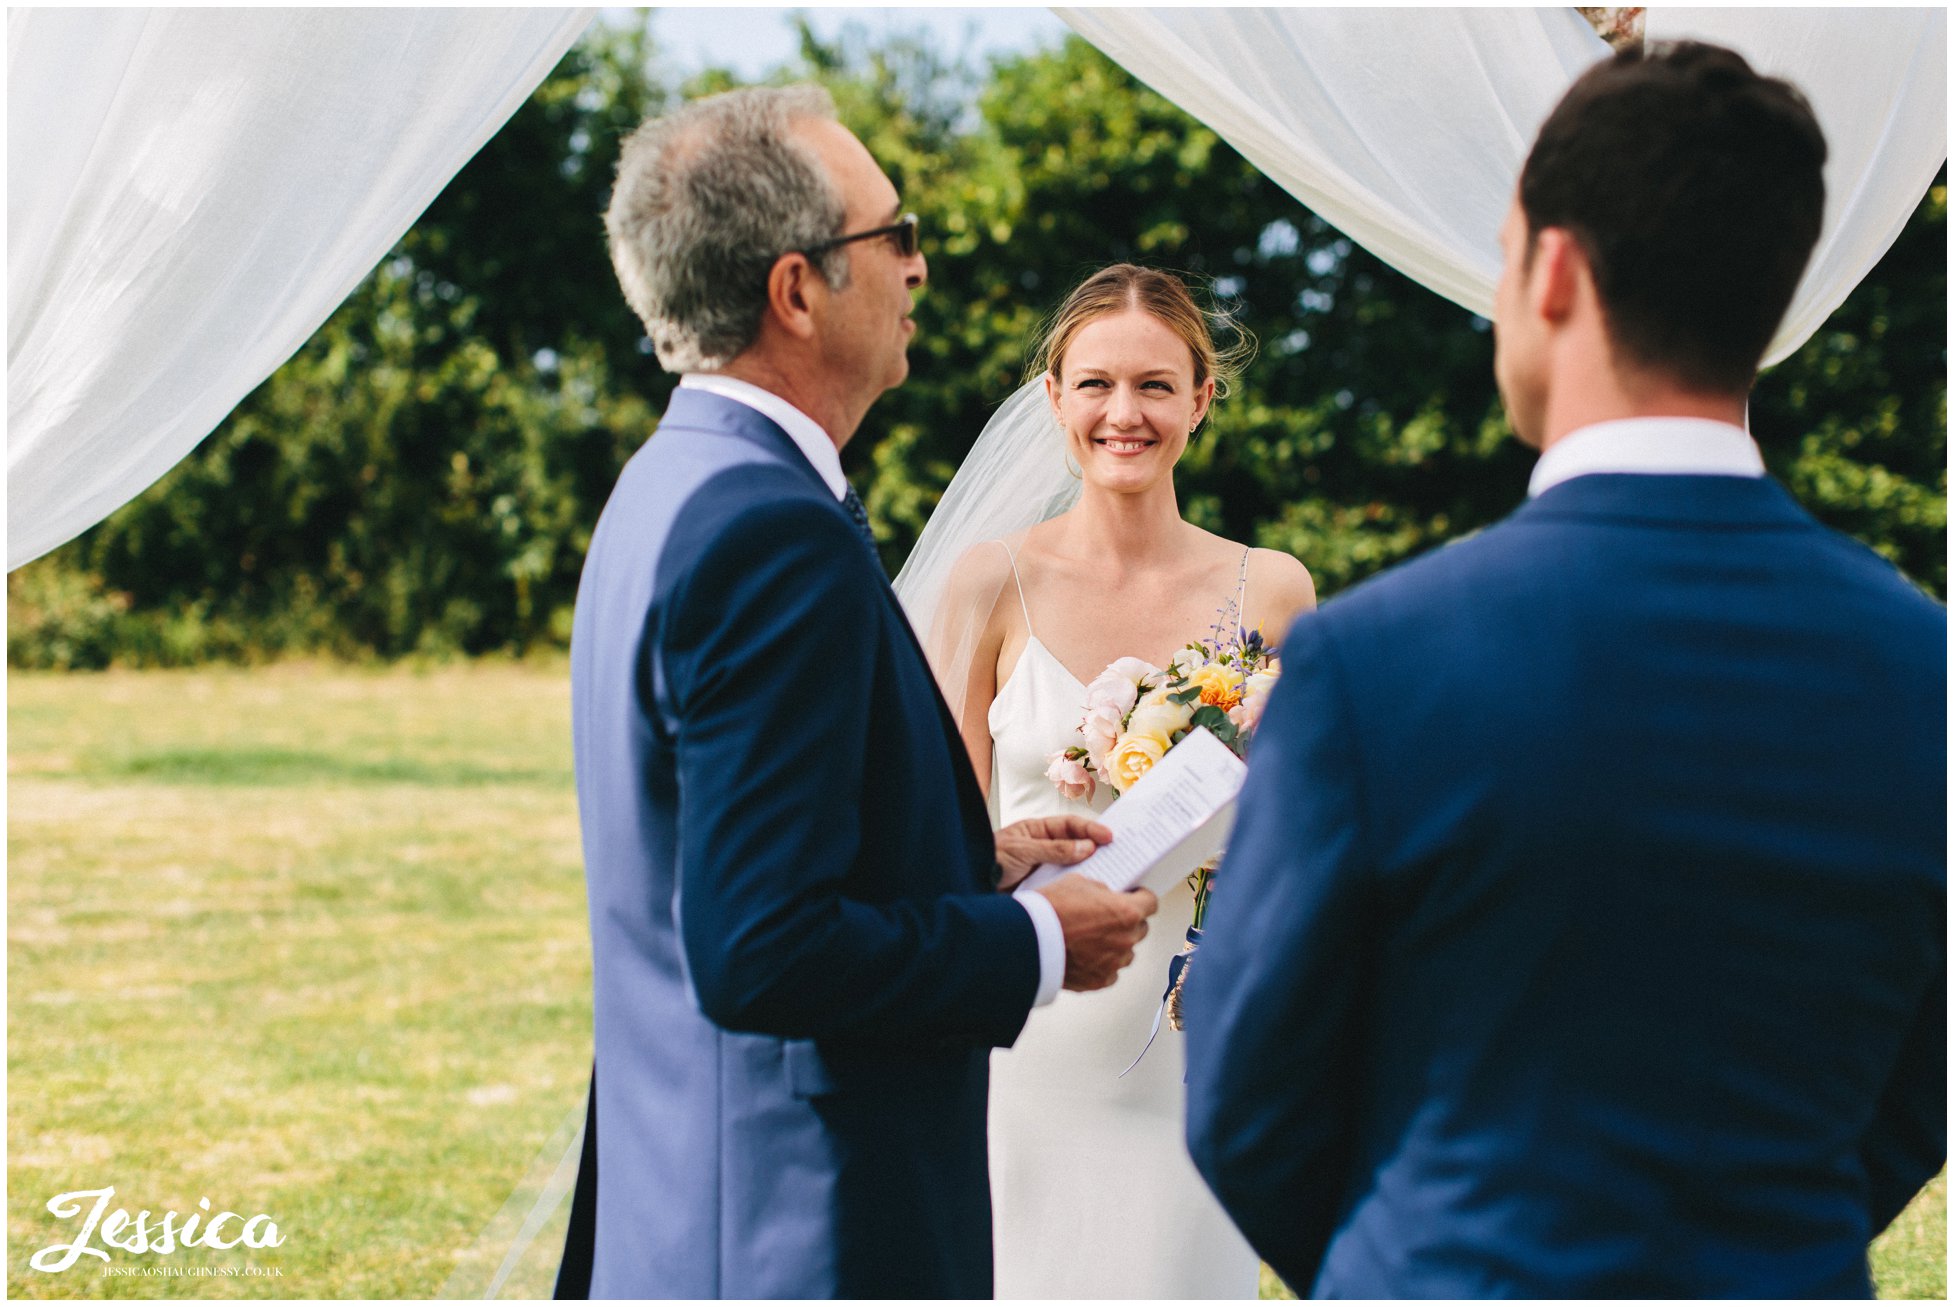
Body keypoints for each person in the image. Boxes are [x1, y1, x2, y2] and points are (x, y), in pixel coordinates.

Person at [1184, 40, 1945, 1298]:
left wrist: (1421, 1258)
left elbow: (1249, 1080)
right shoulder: (1926, 670)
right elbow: (1926, 1072)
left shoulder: (1376, 661)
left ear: (1553, 270)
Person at [557, 85, 1158, 1300]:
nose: (919, 267)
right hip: (797, 1221)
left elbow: (733, 858)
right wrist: (1038, 935)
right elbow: (760, 951)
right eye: (895, 236)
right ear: (796, 290)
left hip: (694, 1188)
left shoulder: (673, 483)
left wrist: (956, 859)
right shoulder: (766, 529)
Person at [914, 264, 1315, 1299]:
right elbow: (937, 839)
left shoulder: (1269, 587)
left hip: (1199, 1040)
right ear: (1052, 397)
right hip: (1034, 1036)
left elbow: (1309, 829)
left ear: (1200, 400)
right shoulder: (989, 580)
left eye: (1153, 384)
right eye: (1093, 384)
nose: (1122, 413)